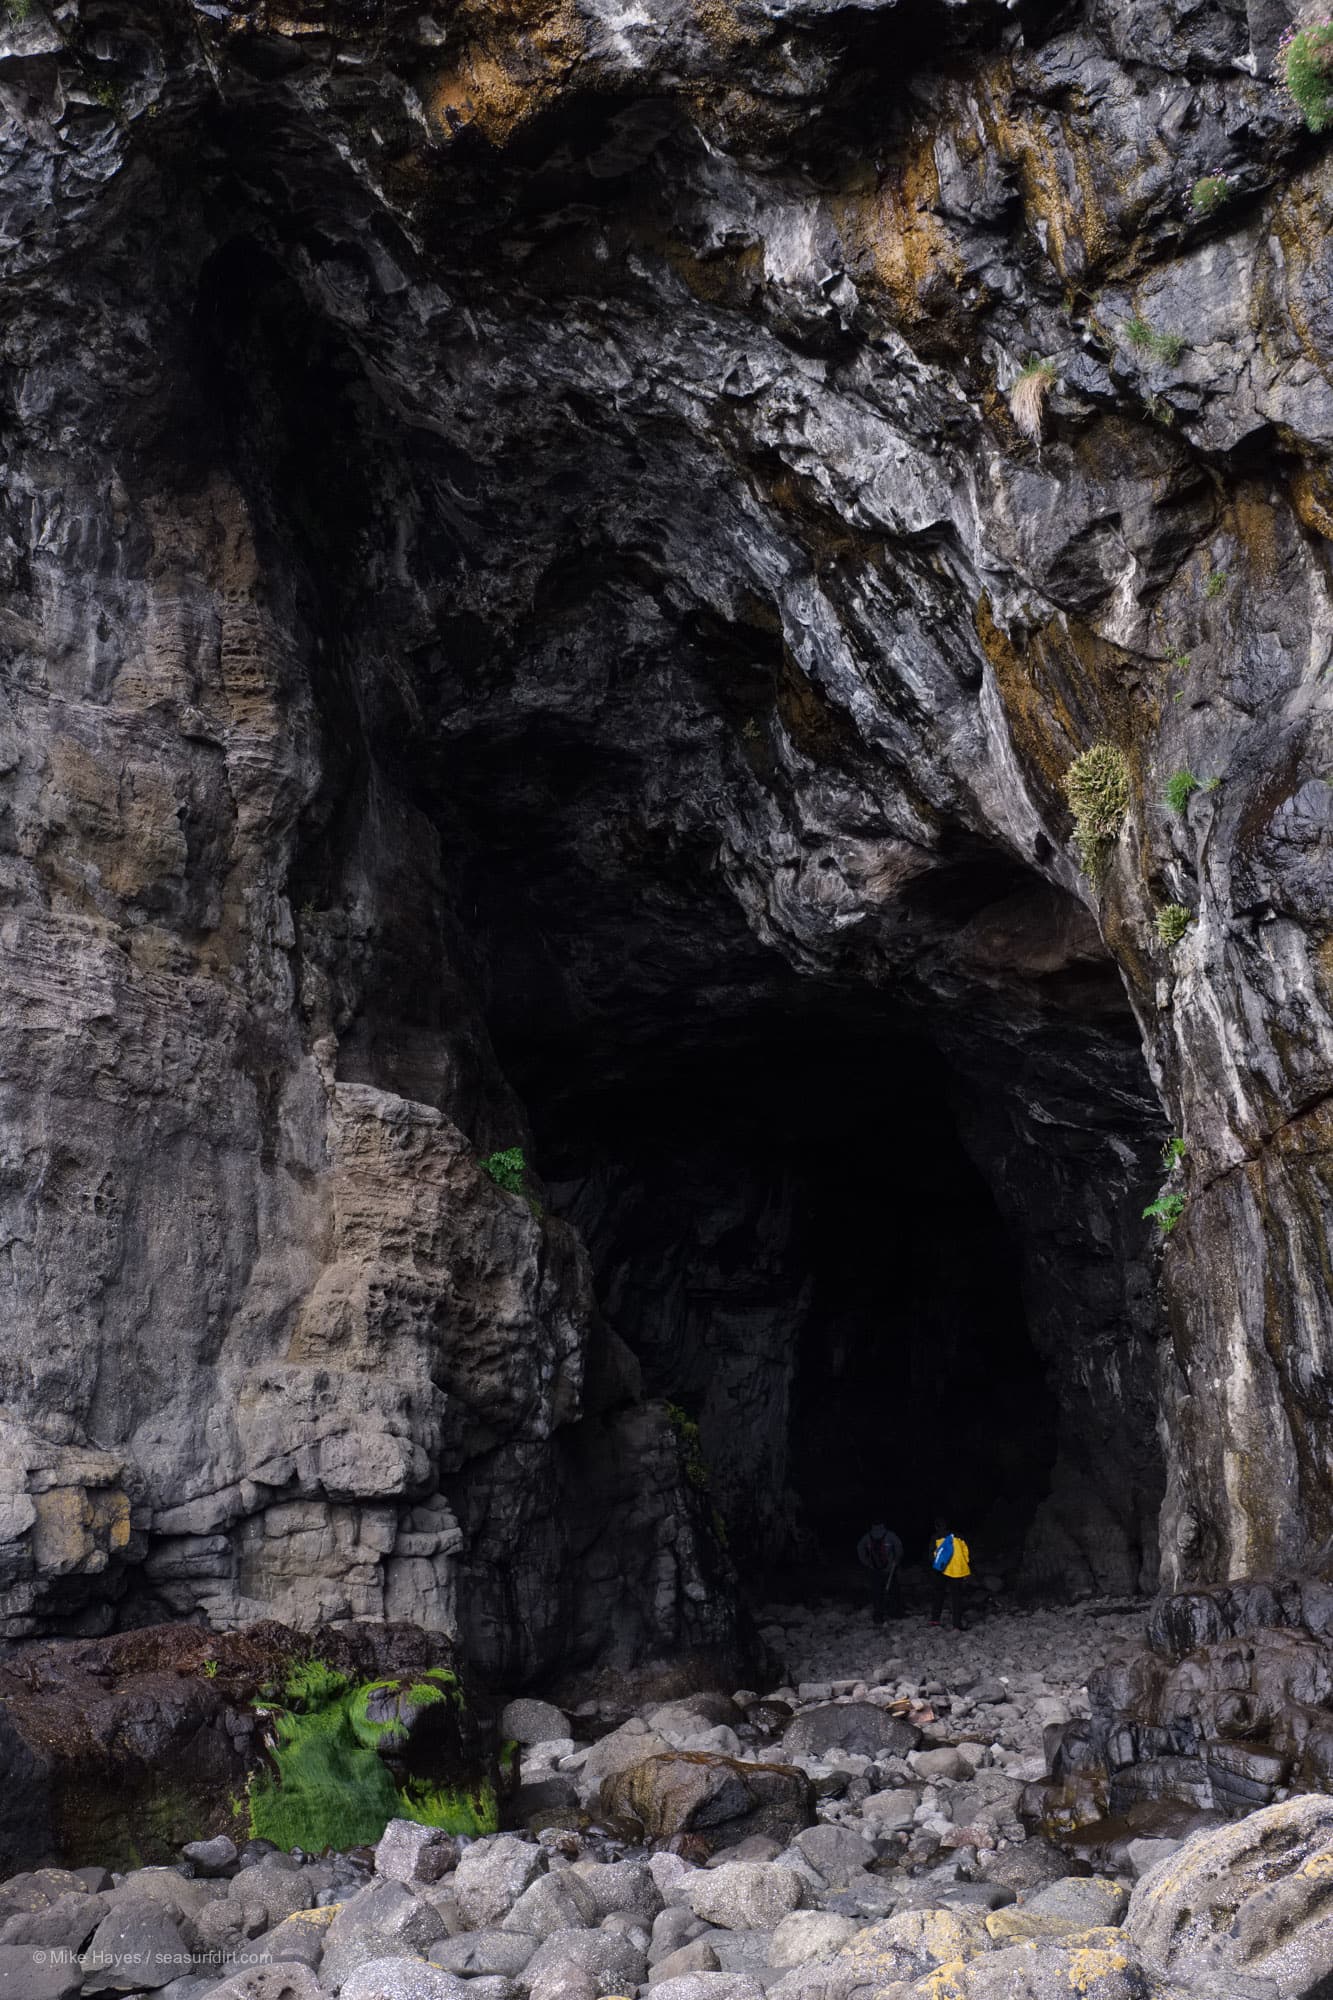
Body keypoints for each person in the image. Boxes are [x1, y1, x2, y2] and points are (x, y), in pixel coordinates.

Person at [856, 1521, 904, 1624]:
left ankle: (878, 1616)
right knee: (893, 1591)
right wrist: (896, 1561)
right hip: (889, 1570)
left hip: (874, 1570)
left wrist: (866, 1562)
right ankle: (896, 1613)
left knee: (876, 1593)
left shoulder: (867, 1536)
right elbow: (899, 1547)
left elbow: (859, 1548)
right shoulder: (890, 1535)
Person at [929, 1517, 971, 1629]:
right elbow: (966, 1554)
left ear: (936, 1527)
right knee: (956, 1597)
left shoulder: (935, 1538)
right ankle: (957, 1623)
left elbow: (932, 1556)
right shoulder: (959, 1537)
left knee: (939, 1594)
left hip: (941, 1570)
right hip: (957, 1570)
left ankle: (935, 1620)